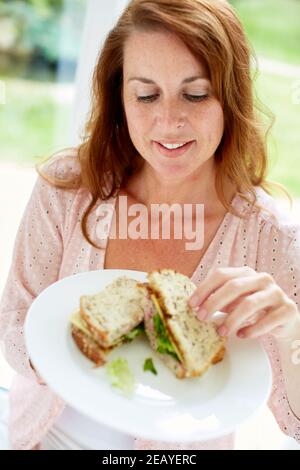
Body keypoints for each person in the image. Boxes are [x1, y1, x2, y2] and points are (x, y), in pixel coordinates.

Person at [0, 0, 300, 450]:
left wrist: (293, 333)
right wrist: (75, 353)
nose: (169, 121)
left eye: (195, 94)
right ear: (120, 98)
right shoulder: (67, 188)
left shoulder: (268, 233)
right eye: (146, 95)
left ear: (230, 98)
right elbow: (14, 325)